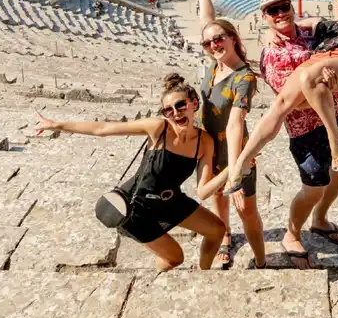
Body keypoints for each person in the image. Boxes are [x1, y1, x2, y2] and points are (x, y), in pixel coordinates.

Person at [33, 74, 225, 271]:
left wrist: (233, 170)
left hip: (170, 200)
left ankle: (204, 274)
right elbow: (103, 128)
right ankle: (156, 280)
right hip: (136, 206)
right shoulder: (159, 128)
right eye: (168, 110)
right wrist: (57, 125)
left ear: (194, 103)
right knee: (175, 258)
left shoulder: (205, 141)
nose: (175, 113)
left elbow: (202, 191)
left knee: (217, 230)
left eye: (180, 105)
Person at [227, 0, 338, 186]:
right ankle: (241, 162)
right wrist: (272, 32)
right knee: (283, 102)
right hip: (307, 122)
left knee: (308, 79)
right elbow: (288, 99)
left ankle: (334, 135)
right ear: (334, 1)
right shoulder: (312, 27)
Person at [258, 0, 338, 268]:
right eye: (272, 11)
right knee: (313, 188)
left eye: (283, 7)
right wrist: (322, 89)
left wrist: (334, 79)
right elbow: (290, 101)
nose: (280, 14)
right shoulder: (271, 53)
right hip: (306, 130)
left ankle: (319, 219)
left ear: (291, 7)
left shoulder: (311, 34)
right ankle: (291, 234)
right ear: (265, 17)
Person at [196, 0, 266, 269]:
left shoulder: (244, 77)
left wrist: (236, 171)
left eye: (219, 39)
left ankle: (261, 256)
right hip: (208, 146)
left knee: (245, 209)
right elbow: (207, 20)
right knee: (218, 201)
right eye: (209, 42)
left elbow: (237, 121)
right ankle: (224, 236)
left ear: (233, 38)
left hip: (235, 152)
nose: (213, 44)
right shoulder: (213, 65)